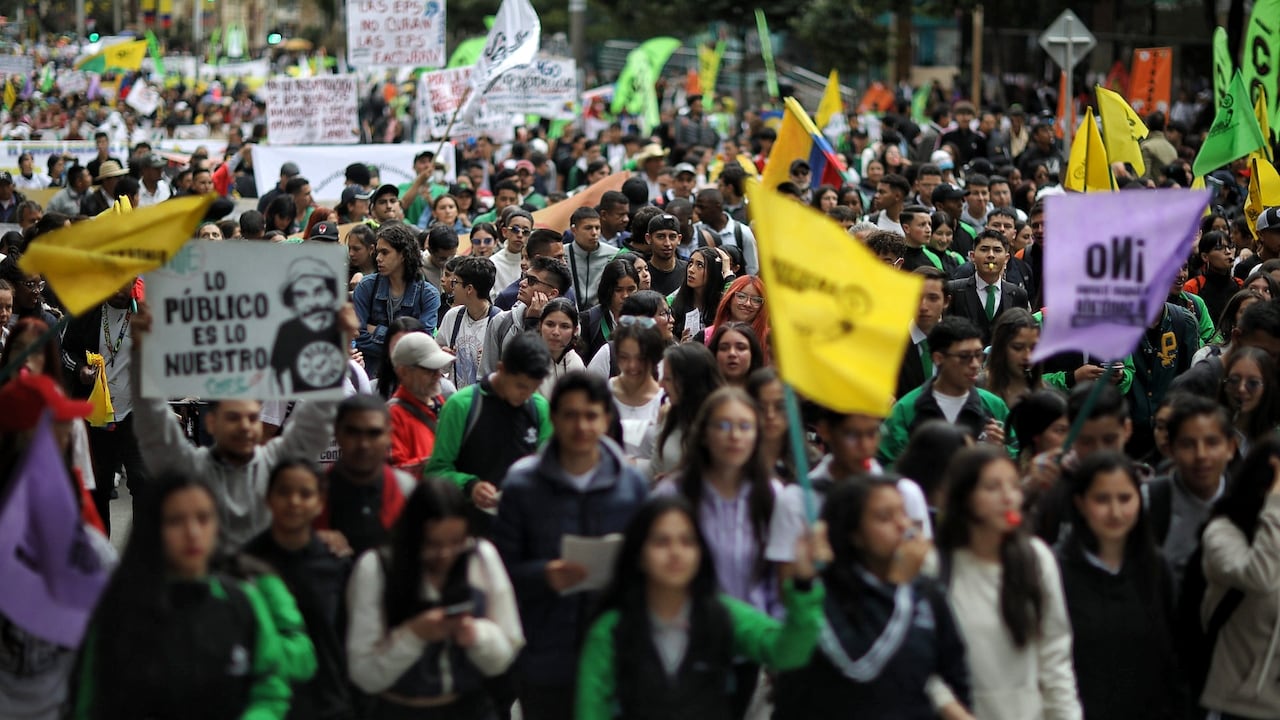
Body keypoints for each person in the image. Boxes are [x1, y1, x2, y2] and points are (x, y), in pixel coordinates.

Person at [575, 495, 826, 720]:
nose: (676, 552)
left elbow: (787, 652)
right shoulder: (609, 630)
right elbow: (591, 710)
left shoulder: (723, 614)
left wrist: (803, 583)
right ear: (638, 554)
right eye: (662, 542)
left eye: (687, 542)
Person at [72, 474, 296, 719]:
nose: (193, 532)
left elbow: (271, 686)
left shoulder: (242, 602)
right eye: (176, 521)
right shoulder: (118, 610)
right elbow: (91, 704)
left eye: (203, 518)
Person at [129, 302, 351, 548]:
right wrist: (141, 355)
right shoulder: (191, 469)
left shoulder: (277, 464)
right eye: (233, 418)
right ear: (211, 423)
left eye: (253, 418)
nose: (245, 426)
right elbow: (153, 423)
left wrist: (337, 348)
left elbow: (316, 418)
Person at [492, 372, 648, 720]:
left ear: (607, 419)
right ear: (555, 418)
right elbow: (500, 570)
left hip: (612, 649)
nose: (581, 426)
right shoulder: (523, 484)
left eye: (591, 415)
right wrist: (545, 575)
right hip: (542, 650)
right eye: (570, 415)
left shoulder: (632, 486)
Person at [773, 476, 973, 719]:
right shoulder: (823, 595)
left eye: (903, 513)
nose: (902, 525)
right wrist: (896, 585)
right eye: (884, 518)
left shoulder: (926, 593)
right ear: (854, 534)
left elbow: (956, 674)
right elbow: (861, 665)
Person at [652, 387, 783, 715]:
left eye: (744, 426)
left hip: (748, 649)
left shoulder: (772, 495)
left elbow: (777, 578)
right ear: (705, 434)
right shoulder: (674, 494)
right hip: (683, 647)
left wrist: (777, 642)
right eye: (723, 426)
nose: (734, 436)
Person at [346, 479, 524, 720]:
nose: (445, 555)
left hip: (470, 706)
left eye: (456, 543)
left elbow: (507, 650)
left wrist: (476, 635)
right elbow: (363, 673)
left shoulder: (481, 556)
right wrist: (414, 635)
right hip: (398, 709)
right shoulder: (376, 567)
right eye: (433, 544)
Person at [937, 446, 1083, 720]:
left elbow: (1055, 658)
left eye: (1014, 486)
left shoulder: (1036, 557)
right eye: (992, 487)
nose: (1008, 497)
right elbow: (919, 662)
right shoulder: (935, 566)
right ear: (964, 496)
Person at [1055, 452, 1181, 720]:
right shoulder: (1055, 571)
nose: (1115, 512)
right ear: (1080, 502)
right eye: (1102, 499)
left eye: (1125, 498)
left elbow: (1174, 657)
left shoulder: (1156, 568)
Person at [244, 460, 355, 720]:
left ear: (319, 502)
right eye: (284, 492)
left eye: (305, 494)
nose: (294, 501)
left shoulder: (337, 562)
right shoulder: (246, 564)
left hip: (330, 703)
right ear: (268, 498)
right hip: (269, 703)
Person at [425, 332, 553, 533]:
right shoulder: (462, 405)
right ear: (501, 369)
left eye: (533, 388)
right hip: (469, 526)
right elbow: (436, 470)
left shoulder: (539, 408)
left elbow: (548, 466)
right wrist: (470, 486)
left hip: (521, 527)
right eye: (520, 386)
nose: (526, 394)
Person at [60, 280, 146, 536]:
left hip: (135, 413)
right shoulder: (87, 311)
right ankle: (100, 558)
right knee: (99, 486)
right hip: (97, 415)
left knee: (143, 481)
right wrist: (80, 370)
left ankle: (139, 554)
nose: (120, 290)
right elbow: (65, 352)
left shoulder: (146, 313)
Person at [879, 317, 1010, 464]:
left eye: (979, 355)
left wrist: (1001, 451)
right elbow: (887, 464)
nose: (974, 364)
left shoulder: (994, 406)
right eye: (964, 356)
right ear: (938, 358)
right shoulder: (907, 409)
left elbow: (1016, 451)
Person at [1146, 395, 1238, 591]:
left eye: (1212, 443)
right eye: (1188, 444)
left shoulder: (1246, 505)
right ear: (1170, 449)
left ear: (1230, 447)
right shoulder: (1148, 502)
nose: (1201, 455)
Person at [318, 396, 417, 557]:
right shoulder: (312, 494)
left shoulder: (407, 492)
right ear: (337, 433)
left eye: (374, 433)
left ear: (389, 435)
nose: (363, 444)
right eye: (353, 432)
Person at [353, 223, 442, 374]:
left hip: (411, 375)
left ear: (403, 255)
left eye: (385, 252)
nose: (378, 258)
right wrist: (403, 346)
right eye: (377, 252)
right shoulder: (366, 287)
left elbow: (422, 343)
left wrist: (377, 330)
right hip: (372, 372)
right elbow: (359, 338)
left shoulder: (428, 295)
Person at [641, 343, 725, 479]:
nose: (661, 385)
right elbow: (654, 469)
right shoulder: (669, 415)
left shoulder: (722, 422)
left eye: (668, 379)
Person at [272, 258, 346, 395]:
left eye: (319, 291)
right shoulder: (285, 332)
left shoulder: (343, 328)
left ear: (332, 294)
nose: (312, 303)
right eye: (301, 295)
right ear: (292, 302)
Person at [946, 230, 1030, 345]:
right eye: (984, 249)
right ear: (972, 256)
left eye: (997, 250)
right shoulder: (954, 290)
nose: (991, 255)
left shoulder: (1018, 294)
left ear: (1006, 258)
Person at [388, 332, 453, 477]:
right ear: (403, 372)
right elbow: (395, 475)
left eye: (438, 368)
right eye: (429, 369)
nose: (437, 375)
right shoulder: (392, 416)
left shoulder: (441, 403)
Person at [436, 256, 498, 390]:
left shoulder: (499, 321)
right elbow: (437, 359)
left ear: (469, 289)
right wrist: (443, 356)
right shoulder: (453, 316)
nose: (453, 288)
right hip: (457, 401)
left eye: (456, 282)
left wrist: (489, 362)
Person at [607, 318, 664, 461]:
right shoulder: (604, 393)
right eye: (624, 357)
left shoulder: (664, 401)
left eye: (641, 358)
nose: (632, 365)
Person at [898, 267, 951, 398]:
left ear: (946, 301)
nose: (923, 307)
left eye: (932, 298)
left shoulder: (955, 342)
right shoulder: (892, 344)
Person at [1218, 346, 1279, 458]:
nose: (1241, 388)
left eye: (1253, 383)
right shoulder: (1211, 430)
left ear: (1268, 388)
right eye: (1234, 380)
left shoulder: (1274, 440)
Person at [980, 308, 1043, 409]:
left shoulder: (1045, 393)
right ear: (1001, 347)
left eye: (1034, 348)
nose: (1028, 356)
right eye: (1018, 348)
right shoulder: (978, 388)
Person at [581, 259, 641, 361]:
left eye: (631, 289)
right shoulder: (589, 320)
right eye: (618, 290)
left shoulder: (646, 318)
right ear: (607, 289)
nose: (625, 296)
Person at [1185, 231, 1244, 328]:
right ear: (1205, 256)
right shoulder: (1192, 287)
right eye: (1219, 248)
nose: (1228, 252)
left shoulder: (1240, 284)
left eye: (1230, 246)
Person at [692, 188, 759, 274]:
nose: (697, 211)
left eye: (702, 207)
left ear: (718, 206)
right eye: (696, 206)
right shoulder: (696, 231)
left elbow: (752, 269)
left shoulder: (742, 233)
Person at [669, 247, 729, 342]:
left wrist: (727, 272)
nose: (691, 270)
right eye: (690, 263)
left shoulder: (724, 304)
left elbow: (735, 297)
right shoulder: (673, 301)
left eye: (700, 265)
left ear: (713, 272)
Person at [567, 207, 620, 309]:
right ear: (574, 230)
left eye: (597, 228)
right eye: (588, 228)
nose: (594, 233)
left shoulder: (614, 254)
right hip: (569, 313)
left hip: (601, 315)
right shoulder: (562, 254)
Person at [537, 297, 586, 397]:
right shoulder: (527, 360)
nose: (556, 332)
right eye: (550, 324)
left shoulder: (576, 364)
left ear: (575, 330)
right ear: (540, 325)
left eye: (564, 326)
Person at [709, 321, 765, 388]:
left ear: (753, 353)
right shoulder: (702, 394)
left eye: (741, 348)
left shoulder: (767, 394)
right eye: (724, 348)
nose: (732, 353)